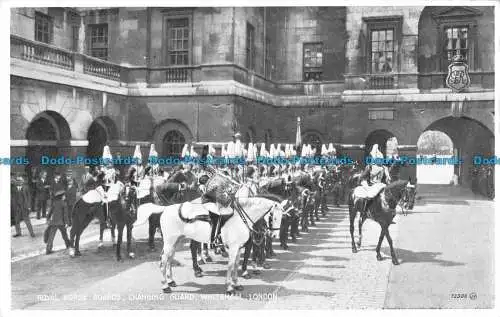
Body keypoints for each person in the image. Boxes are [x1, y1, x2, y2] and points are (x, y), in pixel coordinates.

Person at [45, 190, 70, 254]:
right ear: (61, 197)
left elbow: (50, 212)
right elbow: (65, 215)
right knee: (64, 235)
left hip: (54, 222)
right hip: (61, 222)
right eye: (64, 196)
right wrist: (67, 223)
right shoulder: (64, 204)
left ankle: (48, 250)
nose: (65, 197)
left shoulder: (54, 203)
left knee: (51, 236)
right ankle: (68, 245)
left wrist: (47, 218)